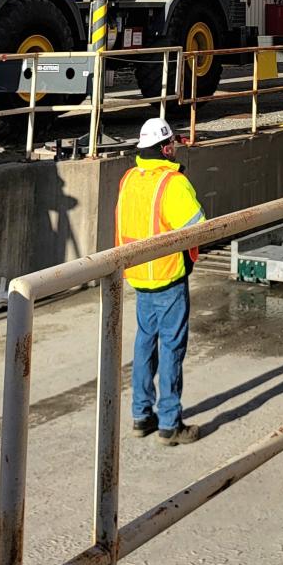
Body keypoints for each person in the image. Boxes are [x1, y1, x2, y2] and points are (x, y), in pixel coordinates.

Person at [115, 117, 205, 443]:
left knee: (144, 344)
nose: (175, 151)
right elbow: (197, 228)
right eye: (173, 146)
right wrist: (190, 261)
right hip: (168, 277)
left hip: (139, 277)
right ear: (165, 148)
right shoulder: (172, 183)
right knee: (171, 348)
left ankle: (141, 415)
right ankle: (170, 424)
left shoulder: (129, 179)